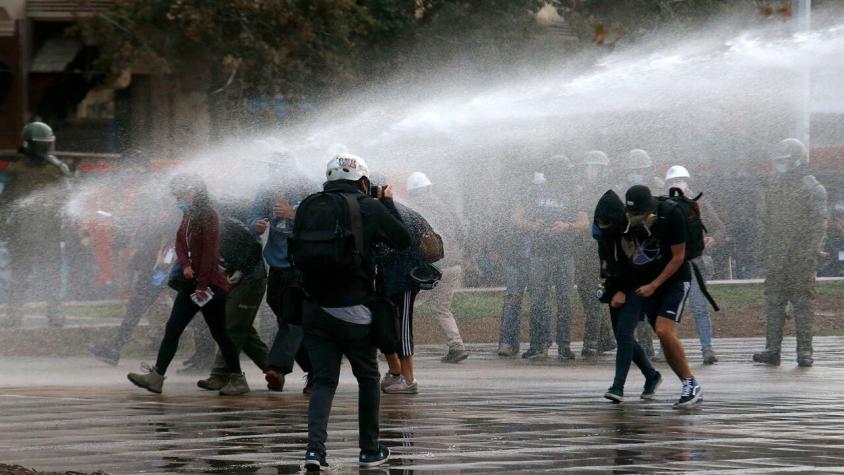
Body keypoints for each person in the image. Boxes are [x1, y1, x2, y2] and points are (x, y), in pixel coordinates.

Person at [295, 154, 410, 471]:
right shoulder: (369, 207)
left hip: (314, 308)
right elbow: (403, 239)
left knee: (323, 382)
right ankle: (369, 449)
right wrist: (386, 204)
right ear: (363, 181)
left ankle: (314, 452)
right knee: (368, 376)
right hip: (355, 309)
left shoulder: (308, 205)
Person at [127, 174, 248, 396]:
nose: (178, 199)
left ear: (193, 193)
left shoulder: (209, 217)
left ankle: (238, 379)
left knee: (220, 333)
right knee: (173, 328)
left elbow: (210, 255)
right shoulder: (188, 214)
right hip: (191, 284)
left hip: (209, 286)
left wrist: (201, 285)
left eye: (181, 194)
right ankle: (156, 377)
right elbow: (181, 243)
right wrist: (184, 265)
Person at [605, 185, 702, 409]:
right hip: (646, 284)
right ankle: (687, 383)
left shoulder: (671, 215)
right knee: (662, 335)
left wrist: (654, 285)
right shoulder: (627, 221)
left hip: (674, 280)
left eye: (641, 214)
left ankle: (690, 383)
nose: (637, 219)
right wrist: (621, 287)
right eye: (633, 215)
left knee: (663, 330)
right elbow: (625, 259)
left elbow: (678, 257)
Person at [753, 139, 828, 367]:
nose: (779, 165)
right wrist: (763, 250)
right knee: (774, 303)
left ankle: (804, 350)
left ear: (797, 160)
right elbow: (765, 221)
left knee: (803, 304)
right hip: (776, 256)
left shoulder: (812, 188)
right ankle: (772, 349)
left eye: (784, 161)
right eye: (778, 161)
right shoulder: (773, 185)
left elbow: (819, 224)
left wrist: (810, 252)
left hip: (801, 256)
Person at [251, 156, 316, 394]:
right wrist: (255, 225)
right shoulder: (266, 190)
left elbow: (320, 220)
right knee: (285, 317)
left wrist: (293, 214)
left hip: (301, 266)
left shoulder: (309, 187)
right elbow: (253, 215)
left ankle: (277, 369)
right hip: (278, 265)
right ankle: (315, 372)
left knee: (292, 319)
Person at [195, 195, 271, 391]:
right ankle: (273, 368)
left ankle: (220, 375)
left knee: (232, 327)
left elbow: (254, 248)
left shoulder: (226, 225)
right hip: (233, 280)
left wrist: (240, 271)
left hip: (251, 280)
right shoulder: (207, 225)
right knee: (244, 331)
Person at [0, 122, 71, 328]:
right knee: (20, 275)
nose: (44, 149)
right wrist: (3, 227)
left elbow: (68, 199)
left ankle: (55, 313)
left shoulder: (58, 169)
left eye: (46, 144)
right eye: (41, 145)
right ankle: (15, 315)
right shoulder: (17, 169)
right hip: (21, 234)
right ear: (29, 144)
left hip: (49, 232)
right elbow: (5, 203)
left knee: (51, 275)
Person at [592, 189, 661, 401]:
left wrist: (622, 290)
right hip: (616, 286)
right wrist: (607, 286)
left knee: (623, 334)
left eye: (607, 221)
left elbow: (637, 265)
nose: (603, 225)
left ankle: (617, 387)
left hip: (636, 285)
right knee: (625, 338)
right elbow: (606, 261)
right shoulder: (603, 233)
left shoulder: (632, 229)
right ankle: (651, 375)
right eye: (600, 221)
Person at [371, 174, 436, 394]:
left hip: (403, 279)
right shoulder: (376, 210)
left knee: (403, 327)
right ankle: (396, 372)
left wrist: (387, 202)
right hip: (384, 280)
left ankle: (408, 380)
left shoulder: (395, 210)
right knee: (386, 325)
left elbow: (411, 236)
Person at [514, 157, 583, 360]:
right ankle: (537, 344)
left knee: (565, 301)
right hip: (539, 254)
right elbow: (517, 219)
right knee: (537, 300)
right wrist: (533, 226)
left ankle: (564, 346)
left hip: (564, 255)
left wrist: (567, 227)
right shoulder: (533, 192)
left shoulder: (573, 194)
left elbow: (583, 222)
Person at [664, 165, 726, 365]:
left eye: (680, 181)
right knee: (669, 310)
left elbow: (719, 227)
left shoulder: (700, 204)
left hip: (695, 264)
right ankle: (668, 348)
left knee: (699, 307)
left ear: (687, 182)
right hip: (671, 266)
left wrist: (714, 239)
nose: (677, 185)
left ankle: (707, 349)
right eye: (673, 182)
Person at [406, 172, 470, 363]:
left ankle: (395, 347)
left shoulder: (413, 210)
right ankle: (457, 346)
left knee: (406, 305)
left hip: (431, 268)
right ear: (430, 187)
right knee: (441, 308)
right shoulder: (446, 207)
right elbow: (461, 234)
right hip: (453, 265)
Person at [618, 149, 663, 358]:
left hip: (657, 250)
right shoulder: (624, 191)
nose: (635, 173)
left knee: (661, 301)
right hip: (635, 252)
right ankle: (646, 346)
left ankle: (665, 343)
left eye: (640, 170)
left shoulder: (658, 188)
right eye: (633, 170)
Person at [574, 151, 616, 356]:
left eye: (595, 168)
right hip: (585, 250)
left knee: (595, 295)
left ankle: (591, 342)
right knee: (586, 291)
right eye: (588, 168)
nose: (590, 172)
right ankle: (606, 337)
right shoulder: (582, 191)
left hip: (601, 250)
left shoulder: (609, 193)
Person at [497, 171, 533, 357]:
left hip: (536, 260)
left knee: (539, 301)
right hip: (516, 259)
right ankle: (507, 341)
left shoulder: (542, 205)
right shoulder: (516, 204)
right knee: (512, 299)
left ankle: (539, 343)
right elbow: (514, 222)